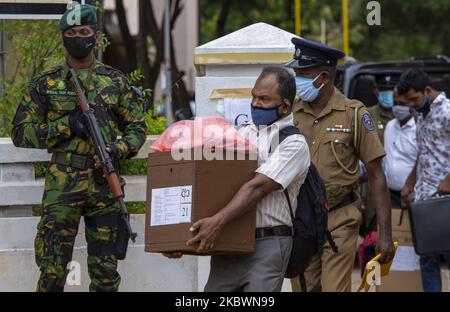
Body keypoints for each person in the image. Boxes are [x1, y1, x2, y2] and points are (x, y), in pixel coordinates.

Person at [11, 4, 147, 292]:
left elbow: (137, 129)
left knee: (106, 276)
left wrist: (117, 149)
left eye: (84, 32)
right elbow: (20, 133)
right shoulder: (46, 84)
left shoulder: (116, 82)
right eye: (71, 33)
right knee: (52, 272)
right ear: (63, 38)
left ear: (96, 36)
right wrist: (66, 125)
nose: (78, 37)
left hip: (104, 184)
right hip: (63, 183)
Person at [163, 67, 311, 292]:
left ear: (285, 106)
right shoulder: (240, 134)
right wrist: (179, 240)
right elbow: (210, 184)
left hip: (268, 244)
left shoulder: (293, 143)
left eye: (264, 99)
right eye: (253, 96)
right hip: (229, 242)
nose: (255, 104)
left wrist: (216, 223)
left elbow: (257, 187)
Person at [286, 37, 395, 292]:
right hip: (300, 218)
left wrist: (385, 233)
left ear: (323, 77)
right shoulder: (290, 112)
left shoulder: (354, 114)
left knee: (334, 289)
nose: (296, 79)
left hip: (339, 217)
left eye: (302, 73)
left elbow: (377, 175)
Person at [396, 69, 450, 292]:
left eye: (414, 99)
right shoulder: (422, 114)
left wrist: (449, 179)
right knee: (427, 258)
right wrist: (410, 182)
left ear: (427, 91)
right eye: (408, 101)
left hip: (446, 200)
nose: (411, 105)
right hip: (425, 199)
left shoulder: (447, 111)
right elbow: (425, 151)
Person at [382, 96, 418, 207]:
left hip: (413, 195)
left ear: (411, 106)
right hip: (389, 194)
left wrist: (410, 185)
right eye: (396, 103)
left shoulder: (418, 128)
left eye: (402, 104)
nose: (397, 107)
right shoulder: (390, 126)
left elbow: (424, 161)